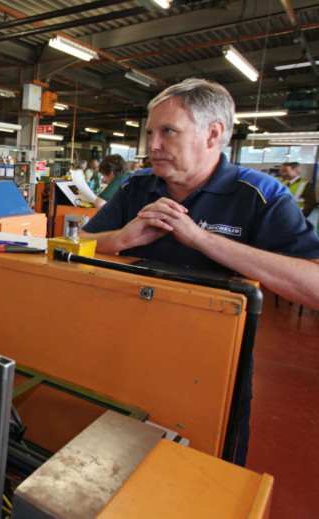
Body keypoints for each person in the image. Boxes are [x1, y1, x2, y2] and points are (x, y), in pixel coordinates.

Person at [80, 78, 319, 467]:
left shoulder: (261, 194)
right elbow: (75, 246)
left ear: (213, 135)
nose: (151, 146)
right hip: (122, 352)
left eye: (168, 132)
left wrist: (203, 240)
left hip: (213, 370)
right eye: (150, 133)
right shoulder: (136, 188)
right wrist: (121, 238)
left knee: (201, 471)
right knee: (116, 461)